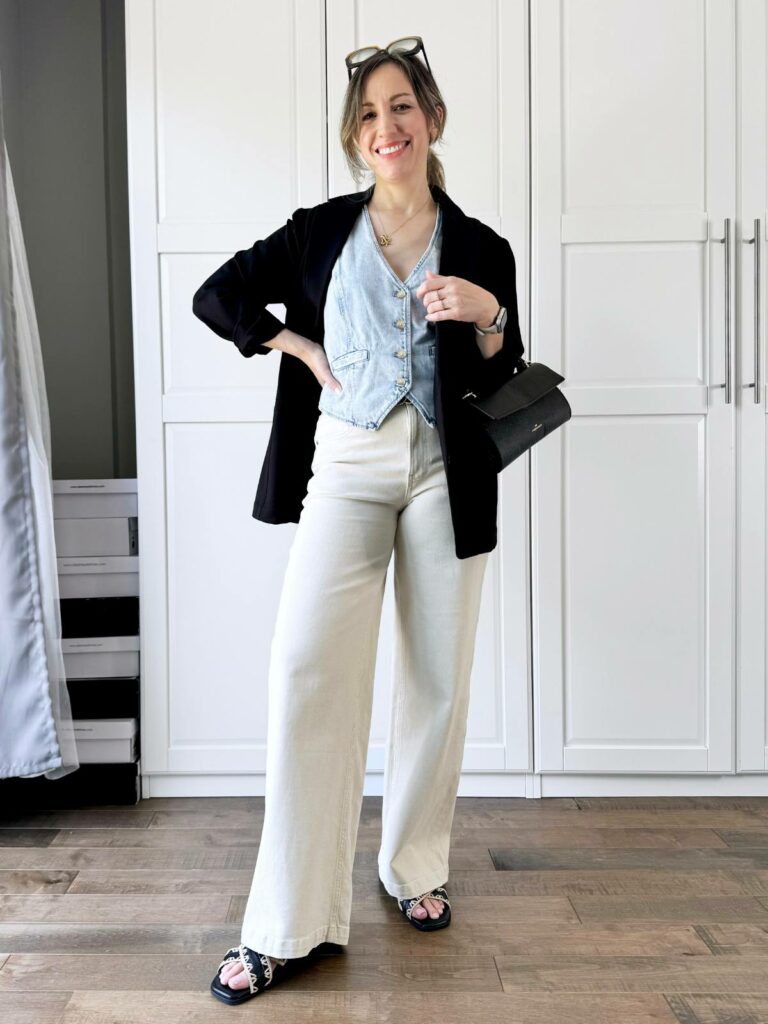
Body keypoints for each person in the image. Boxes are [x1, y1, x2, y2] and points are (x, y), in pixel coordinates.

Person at [192, 36, 524, 1005]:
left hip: (442, 470)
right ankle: (288, 925)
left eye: (402, 107)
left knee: (436, 677)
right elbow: (219, 295)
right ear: (356, 137)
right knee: (306, 670)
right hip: (344, 460)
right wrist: (292, 341)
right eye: (370, 115)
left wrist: (489, 312)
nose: (388, 127)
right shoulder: (320, 232)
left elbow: (506, 371)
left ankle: (413, 865)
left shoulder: (481, 247)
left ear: (433, 120)